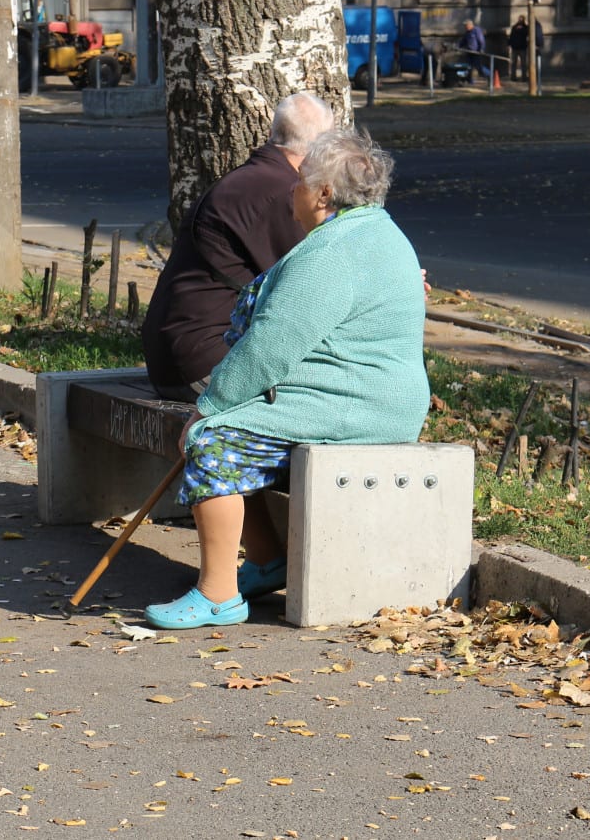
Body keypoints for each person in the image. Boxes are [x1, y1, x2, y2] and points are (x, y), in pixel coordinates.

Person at [144, 131, 430, 630]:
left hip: (356, 403)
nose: (291, 191)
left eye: (299, 182)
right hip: (368, 395)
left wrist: (207, 407)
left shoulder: (334, 252)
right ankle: (266, 561)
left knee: (214, 441)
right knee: (236, 421)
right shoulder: (376, 231)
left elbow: (271, 347)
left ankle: (217, 597)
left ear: (323, 194)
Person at [141, 92, 338, 401]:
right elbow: (317, 287)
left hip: (176, 356)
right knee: (335, 391)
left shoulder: (254, 179)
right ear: (320, 147)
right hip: (205, 365)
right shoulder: (284, 194)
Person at [458, 20, 487, 85]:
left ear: (470, 25)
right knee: (468, 67)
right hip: (469, 52)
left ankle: (489, 76)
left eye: (466, 25)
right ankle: (470, 81)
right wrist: (458, 46)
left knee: (478, 67)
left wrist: (482, 49)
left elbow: (481, 41)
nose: (465, 27)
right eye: (465, 26)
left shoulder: (476, 31)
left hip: (476, 53)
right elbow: (463, 41)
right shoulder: (467, 33)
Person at [507, 16, 529, 81]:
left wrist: (522, 29)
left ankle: (524, 77)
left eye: (521, 20)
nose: (520, 21)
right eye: (519, 19)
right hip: (515, 47)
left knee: (523, 63)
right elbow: (511, 36)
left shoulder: (525, 27)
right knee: (513, 63)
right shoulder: (514, 27)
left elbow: (526, 34)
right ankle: (513, 77)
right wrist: (509, 44)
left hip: (522, 48)